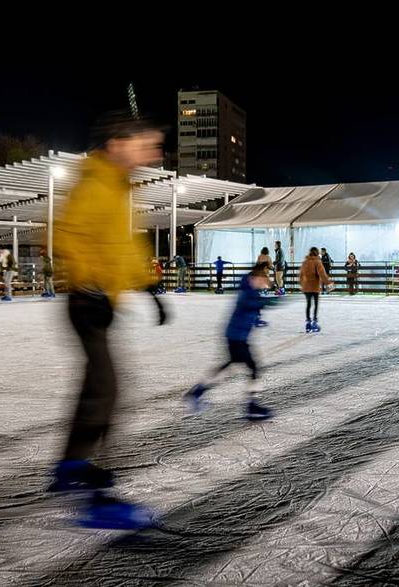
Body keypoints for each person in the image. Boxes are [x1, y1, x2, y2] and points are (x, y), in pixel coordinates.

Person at [48, 115, 167, 530]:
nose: (154, 155)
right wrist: (89, 281)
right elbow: (64, 234)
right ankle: (98, 498)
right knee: (107, 389)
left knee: (95, 387)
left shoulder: (119, 188)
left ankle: (70, 466)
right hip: (86, 301)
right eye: (146, 145)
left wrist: (150, 285)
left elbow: (127, 246)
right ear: (118, 144)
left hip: (100, 302)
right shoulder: (94, 183)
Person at [185, 261, 278, 420]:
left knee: (230, 367)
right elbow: (247, 303)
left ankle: (197, 392)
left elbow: (253, 307)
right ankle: (251, 406)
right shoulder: (247, 290)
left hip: (236, 336)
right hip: (236, 337)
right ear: (256, 277)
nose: (266, 282)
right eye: (264, 278)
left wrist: (258, 315)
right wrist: (267, 302)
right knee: (253, 368)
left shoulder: (251, 289)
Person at [300, 247, 332, 332]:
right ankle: (314, 321)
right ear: (317, 253)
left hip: (306, 287)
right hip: (314, 287)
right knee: (316, 304)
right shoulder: (317, 262)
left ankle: (308, 322)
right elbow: (322, 274)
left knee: (308, 304)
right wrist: (329, 284)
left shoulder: (305, 262)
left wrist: (302, 284)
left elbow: (301, 274)